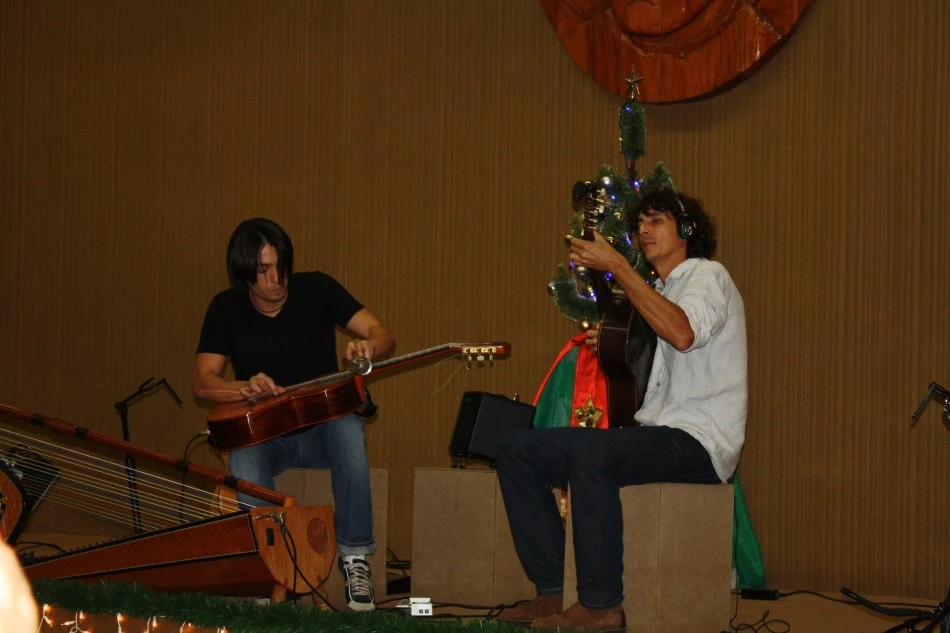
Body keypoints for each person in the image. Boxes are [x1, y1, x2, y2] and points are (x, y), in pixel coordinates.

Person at [495, 189, 747, 632]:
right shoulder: (659, 292)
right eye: (640, 223)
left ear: (687, 230)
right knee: (517, 449)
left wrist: (618, 266)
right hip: (657, 433)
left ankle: (601, 606)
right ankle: (553, 590)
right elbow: (655, 367)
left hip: (701, 442)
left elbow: (683, 333)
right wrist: (617, 343)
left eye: (657, 221)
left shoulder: (708, 275)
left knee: (593, 453)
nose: (643, 230)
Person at [192, 218, 395, 611]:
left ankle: (355, 557)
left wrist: (369, 346)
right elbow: (203, 380)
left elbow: (383, 333)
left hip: (322, 433)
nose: (277, 279)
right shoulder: (225, 307)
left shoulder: (318, 288)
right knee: (243, 456)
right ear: (244, 274)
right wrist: (243, 387)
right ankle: (272, 568)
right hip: (268, 438)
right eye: (264, 270)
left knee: (348, 426)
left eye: (281, 265)